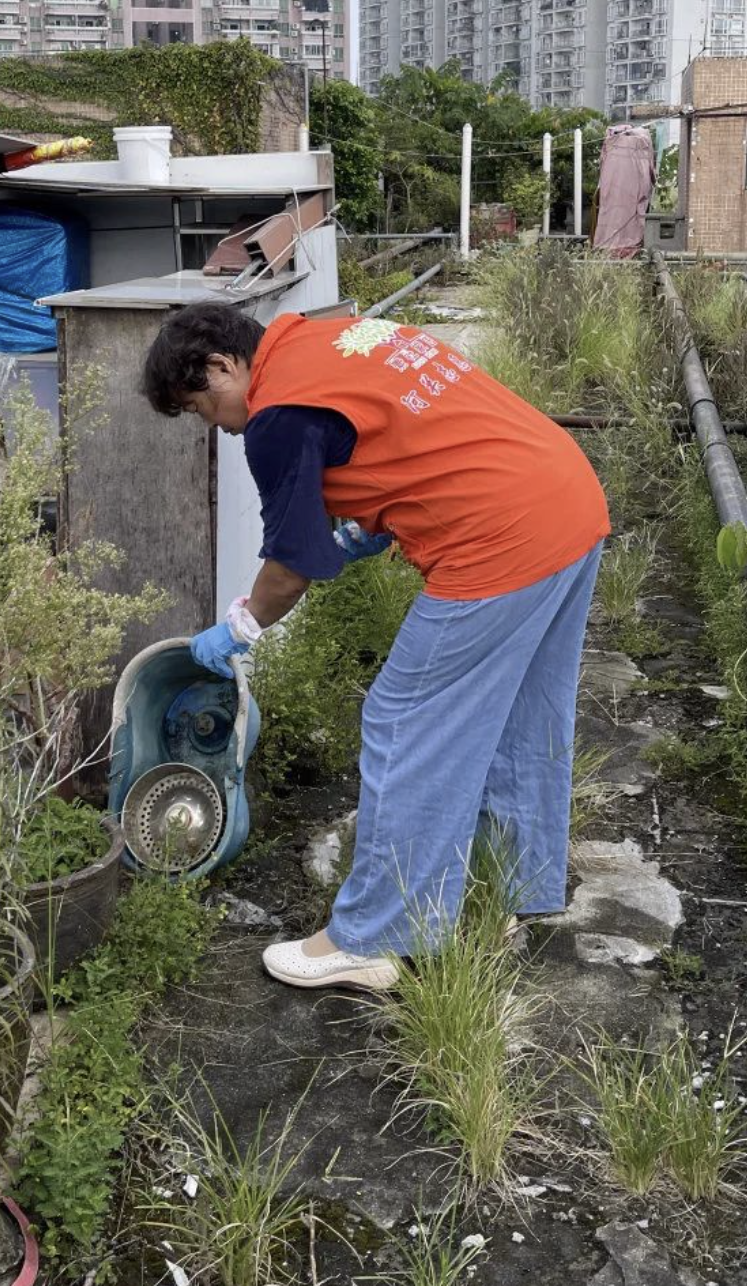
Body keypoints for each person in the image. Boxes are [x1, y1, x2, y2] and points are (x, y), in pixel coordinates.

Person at [143, 302, 609, 992]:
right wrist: (373, 524)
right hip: (566, 500)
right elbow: (413, 437)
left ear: (222, 366)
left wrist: (240, 626)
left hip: (499, 542)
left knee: (404, 723)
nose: (212, 423)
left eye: (201, 406)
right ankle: (497, 893)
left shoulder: (277, 415)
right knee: (519, 719)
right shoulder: (336, 339)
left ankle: (374, 936)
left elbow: (289, 567)